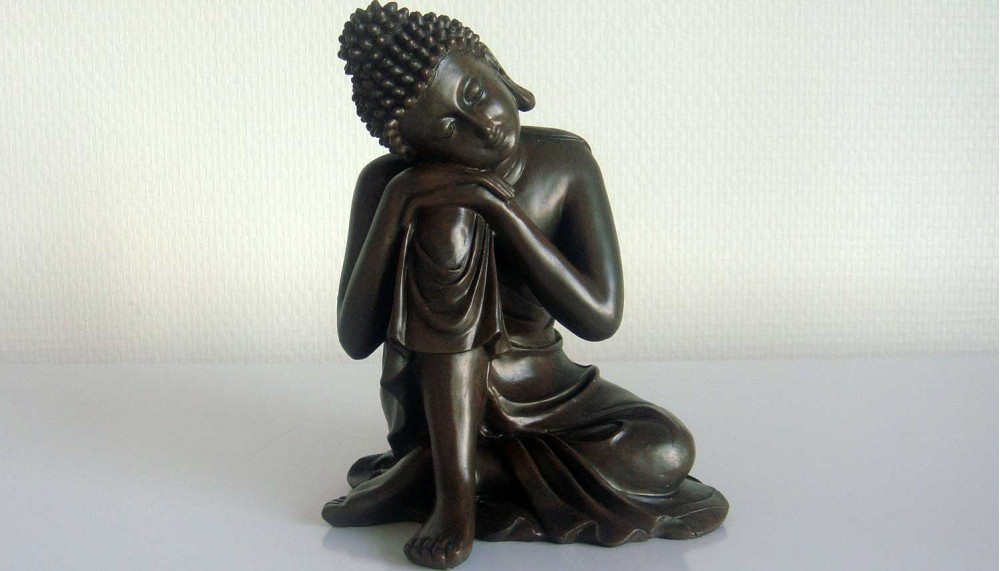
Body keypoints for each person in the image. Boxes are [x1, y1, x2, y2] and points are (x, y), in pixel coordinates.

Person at [325, 3, 728, 569]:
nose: (481, 125)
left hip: (549, 385)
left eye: (473, 93)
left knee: (666, 450)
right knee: (447, 219)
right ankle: (455, 498)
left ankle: (441, 472)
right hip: (439, 396)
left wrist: (505, 212)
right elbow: (355, 338)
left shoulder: (565, 163)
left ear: (495, 68)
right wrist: (397, 203)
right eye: (447, 129)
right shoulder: (390, 184)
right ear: (415, 149)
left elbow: (600, 317)